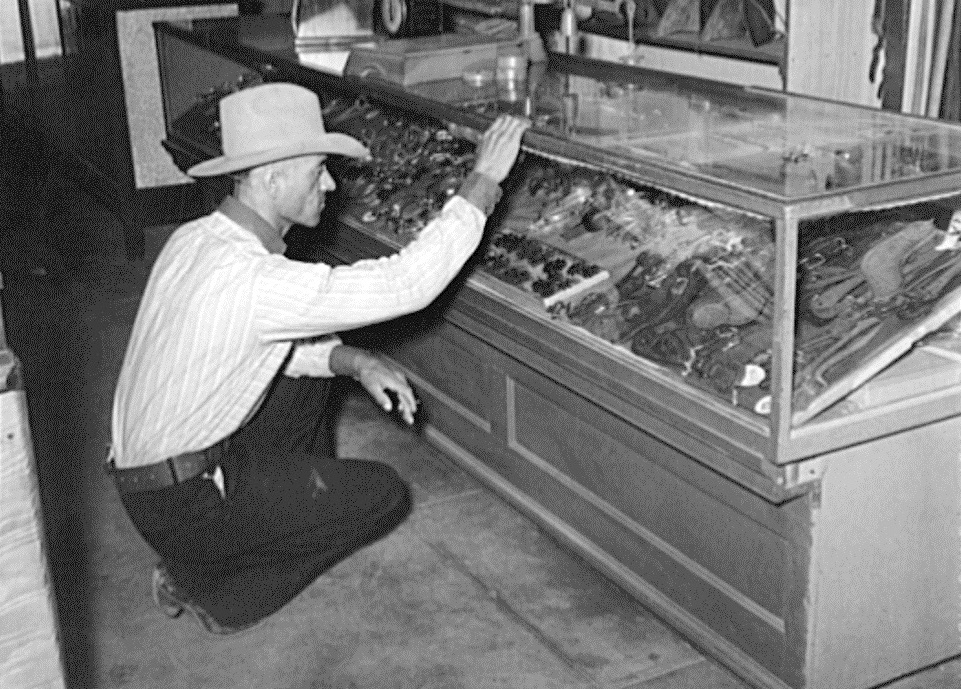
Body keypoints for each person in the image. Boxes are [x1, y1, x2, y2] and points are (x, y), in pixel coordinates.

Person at [108, 82, 529, 634]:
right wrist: (483, 182)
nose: (330, 184)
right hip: (187, 501)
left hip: (148, 484)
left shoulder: (195, 239)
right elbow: (408, 284)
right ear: (272, 176)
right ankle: (214, 585)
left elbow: (254, 345)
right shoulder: (259, 280)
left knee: (318, 367)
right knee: (383, 496)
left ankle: (275, 509)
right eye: (318, 170)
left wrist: (355, 362)